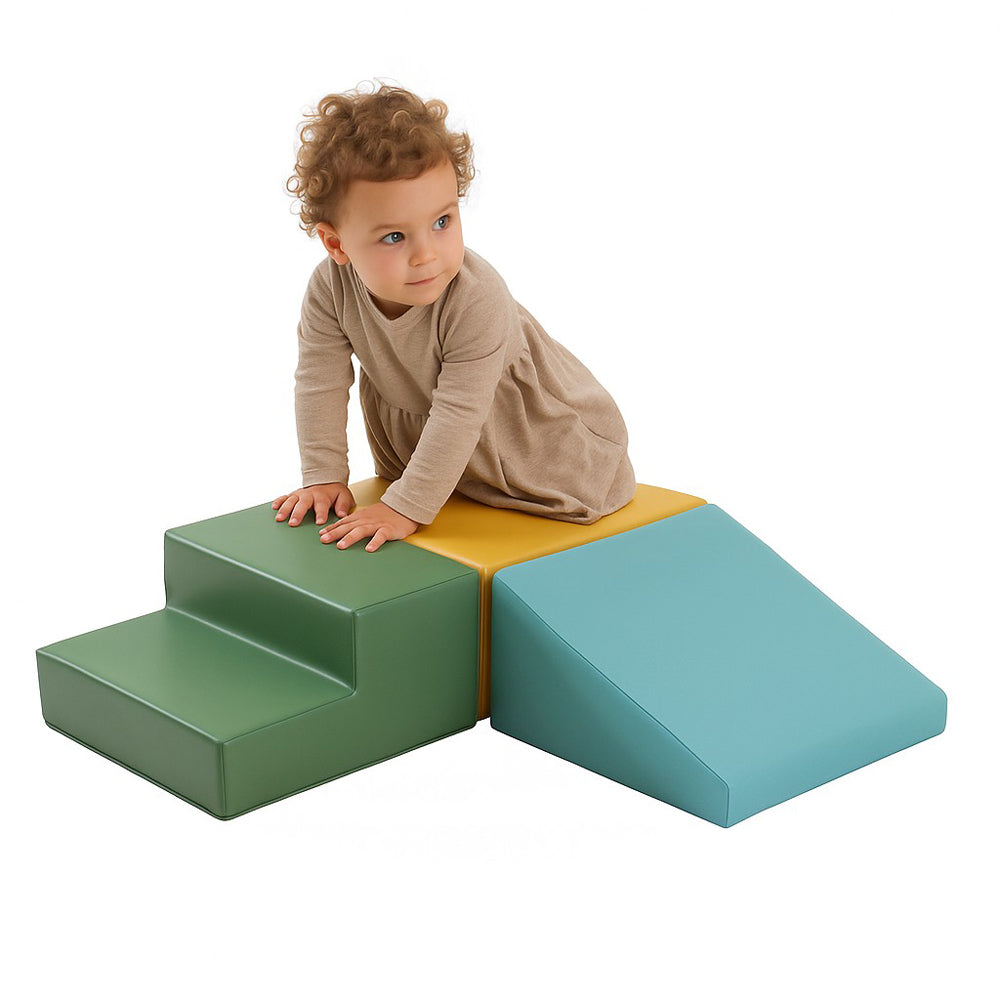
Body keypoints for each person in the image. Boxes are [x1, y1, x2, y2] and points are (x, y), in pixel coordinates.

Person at [272, 82, 636, 552]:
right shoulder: (329, 288)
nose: (427, 255)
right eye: (394, 237)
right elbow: (319, 380)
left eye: (442, 222)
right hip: (435, 452)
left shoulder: (476, 298)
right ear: (336, 244)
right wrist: (323, 475)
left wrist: (407, 506)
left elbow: (460, 413)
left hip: (535, 446)